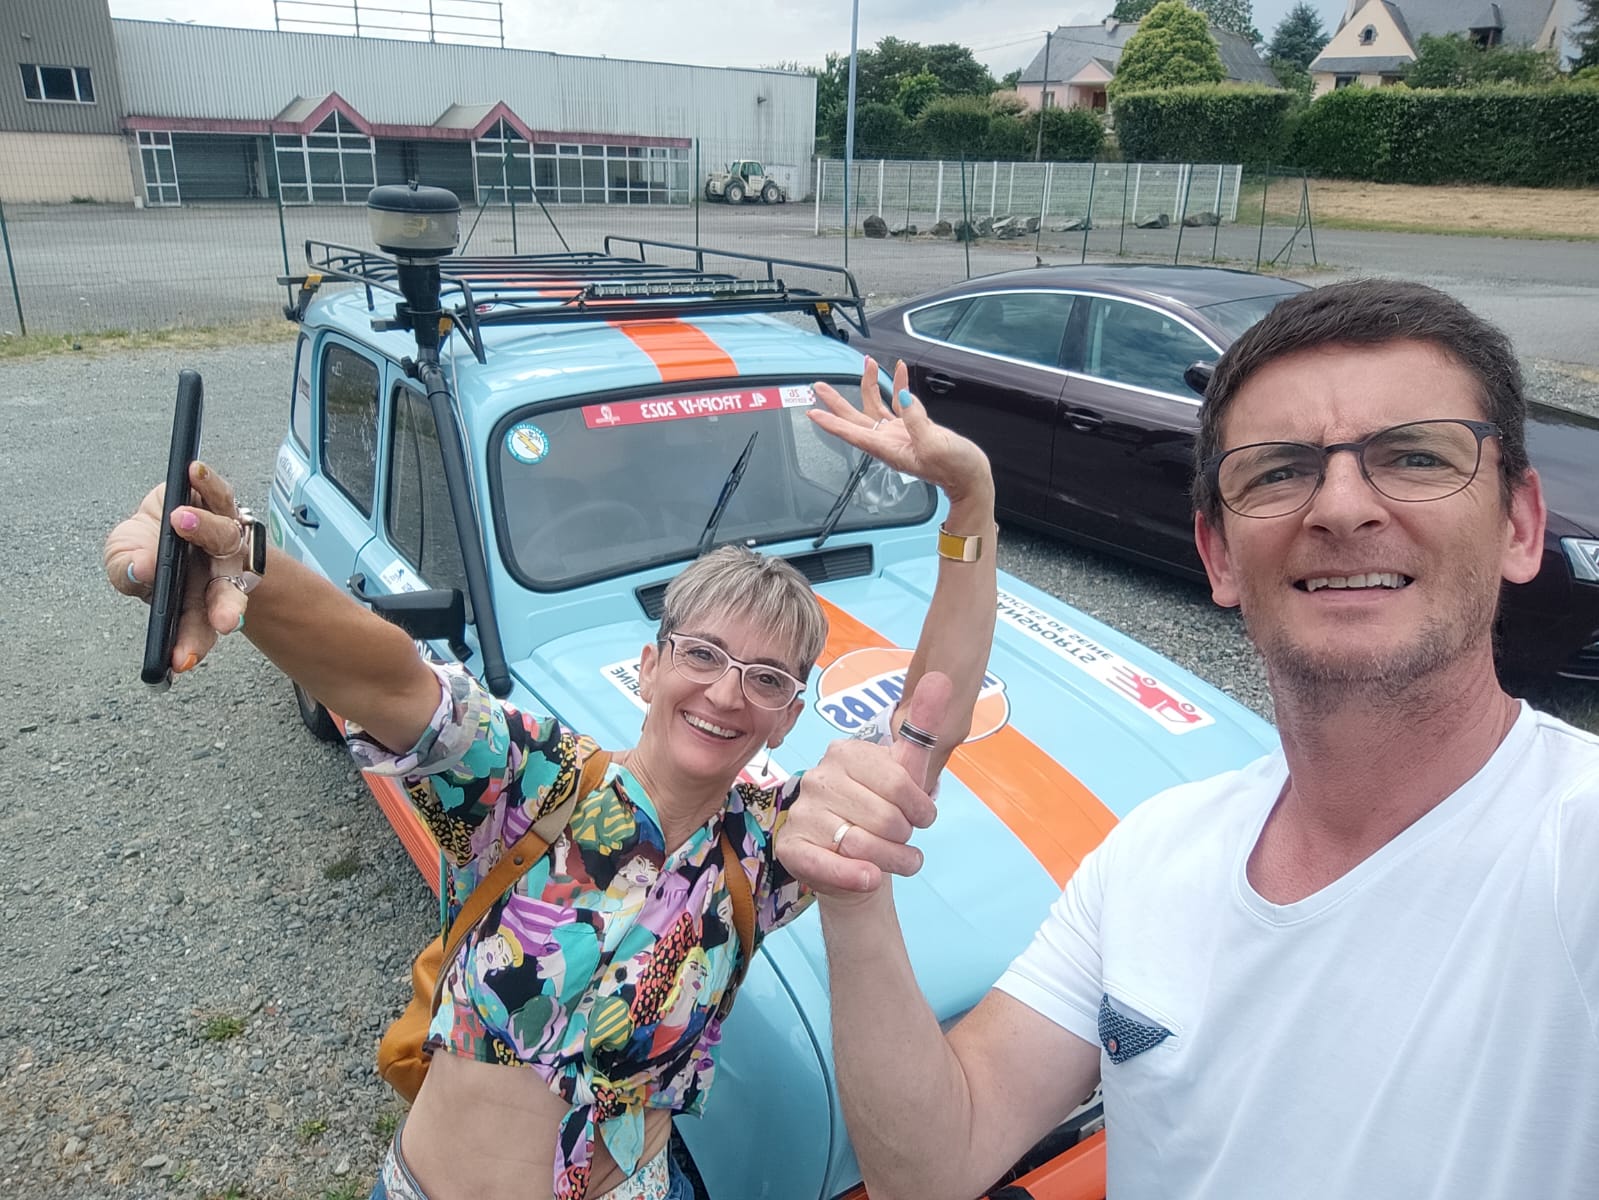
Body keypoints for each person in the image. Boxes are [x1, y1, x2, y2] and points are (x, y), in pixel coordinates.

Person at [776, 280, 1599, 1199]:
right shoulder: (1149, 856)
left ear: (1519, 525)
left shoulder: (1577, 852)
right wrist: (853, 899)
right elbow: (934, 1165)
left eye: (1412, 457)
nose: (1340, 507)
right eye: (1278, 472)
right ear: (1217, 555)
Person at [102, 359, 999, 1200]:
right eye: (702, 655)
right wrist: (247, 564)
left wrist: (970, 504)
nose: (728, 693)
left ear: (789, 716)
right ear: (649, 667)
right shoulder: (536, 783)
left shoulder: (764, 854)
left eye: (765, 678)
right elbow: (395, 683)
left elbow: (926, 723)